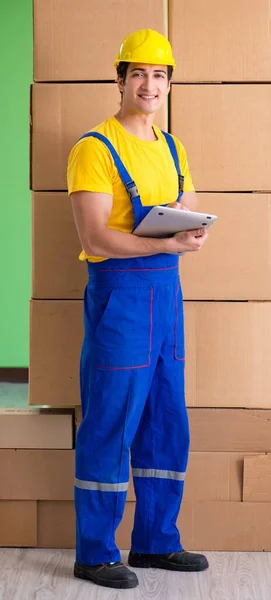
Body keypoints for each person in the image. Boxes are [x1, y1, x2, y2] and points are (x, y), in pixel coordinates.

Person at [67, 29, 209, 590]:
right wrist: (168, 243)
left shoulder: (172, 147)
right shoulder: (94, 149)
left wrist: (190, 234)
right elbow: (96, 237)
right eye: (139, 74)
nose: (150, 85)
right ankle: (94, 553)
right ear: (120, 79)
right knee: (109, 423)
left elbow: (190, 209)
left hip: (167, 297)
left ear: (170, 84)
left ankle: (155, 542)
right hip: (121, 296)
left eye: (160, 75)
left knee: (165, 421)